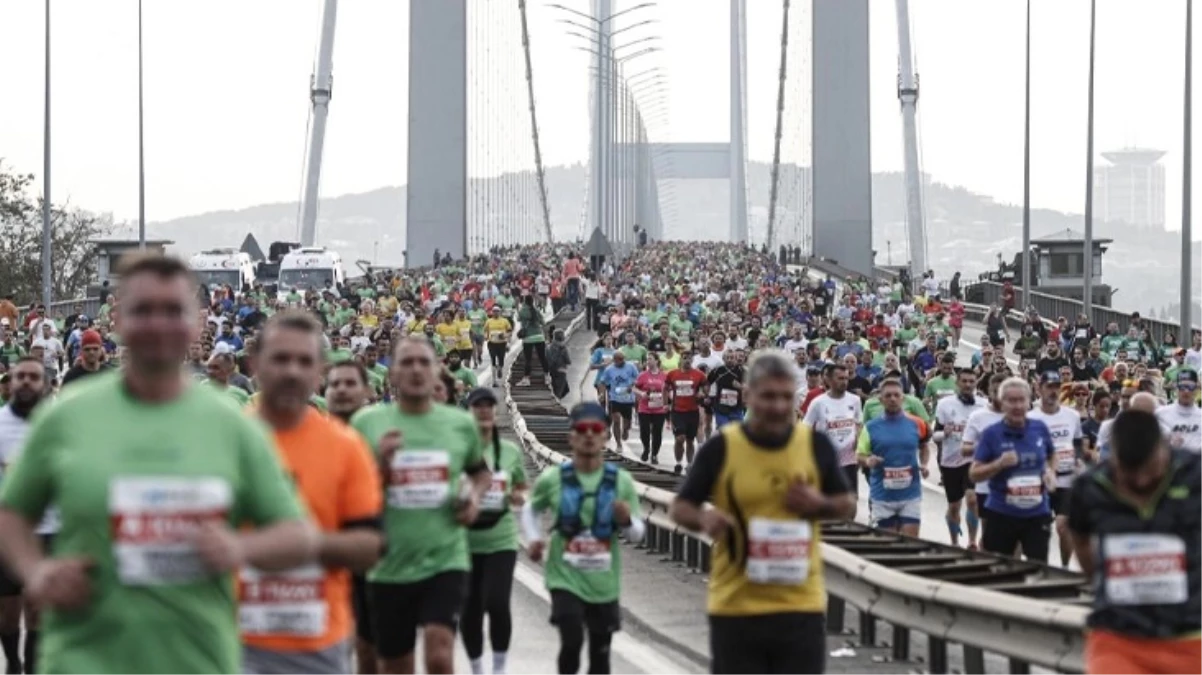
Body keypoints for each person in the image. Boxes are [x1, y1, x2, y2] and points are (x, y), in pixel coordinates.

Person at [0, 253, 316, 675]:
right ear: (119, 320)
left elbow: (295, 536)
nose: (158, 324)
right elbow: (11, 513)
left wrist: (240, 548)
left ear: (197, 322)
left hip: (198, 660)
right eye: (143, 310)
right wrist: (34, 570)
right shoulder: (65, 417)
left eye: (172, 311)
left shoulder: (231, 425)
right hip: (82, 660)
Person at [670, 349, 855, 675]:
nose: (779, 407)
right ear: (748, 395)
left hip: (801, 605)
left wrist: (819, 504)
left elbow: (847, 507)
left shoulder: (814, 445)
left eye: (786, 397)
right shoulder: (722, 447)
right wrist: (704, 518)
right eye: (768, 396)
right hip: (737, 606)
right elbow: (681, 506)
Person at [242, 312, 385, 675]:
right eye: (280, 359)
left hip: (318, 643)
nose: (292, 371)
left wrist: (306, 545)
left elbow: (370, 546)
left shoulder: (345, 447)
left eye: (304, 361)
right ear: (256, 364)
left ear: (319, 371)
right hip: (233, 643)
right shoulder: (226, 440)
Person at [350, 337, 492, 675]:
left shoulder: (460, 424)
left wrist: (472, 500)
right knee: (397, 666)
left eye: (423, 363)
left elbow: (481, 475)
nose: (416, 370)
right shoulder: (367, 423)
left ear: (436, 372)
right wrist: (381, 466)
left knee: (440, 655)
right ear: (393, 373)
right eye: (407, 363)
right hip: (389, 565)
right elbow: (352, 493)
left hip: (445, 558)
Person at [1068, 408, 1202, 673]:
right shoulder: (1089, 487)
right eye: (1129, 472)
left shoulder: (1195, 473)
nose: (1140, 479)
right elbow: (1080, 541)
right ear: (1113, 455)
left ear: (1163, 449)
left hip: (1191, 639)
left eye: (1149, 469)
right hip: (1117, 640)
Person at [521, 402, 645, 675]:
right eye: (582, 429)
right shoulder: (554, 478)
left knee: (600, 656)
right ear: (571, 437)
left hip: (603, 581)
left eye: (596, 429)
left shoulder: (620, 481)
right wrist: (533, 538)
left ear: (605, 437)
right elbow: (531, 509)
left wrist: (625, 519)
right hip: (564, 577)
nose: (589, 435)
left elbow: (636, 533)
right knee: (572, 639)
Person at [462, 388, 528, 675]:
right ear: (469, 411)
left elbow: (521, 485)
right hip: (464, 542)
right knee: (471, 608)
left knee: (498, 603)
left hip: (501, 539)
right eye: (478, 406)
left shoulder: (510, 451)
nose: (485, 411)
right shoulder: (458, 449)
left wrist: (518, 496)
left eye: (489, 406)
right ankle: (477, 667)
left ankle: (499, 668)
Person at [322, 360, 379, 674]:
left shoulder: (382, 433)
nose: (342, 390)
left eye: (350, 384)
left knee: (369, 647)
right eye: (335, 384)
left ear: (367, 391)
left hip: (375, 556)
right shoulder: (311, 435)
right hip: (324, 559)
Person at [0, 357, 51, 674]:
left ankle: (30, 668)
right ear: (12, 384)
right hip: (7, 530)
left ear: (44, 384)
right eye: (21, 377)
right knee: (6, 614)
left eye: (34, 377)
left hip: (47, 528)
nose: (27, 382)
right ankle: (14, 661)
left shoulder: (55, 423)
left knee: (37, 610)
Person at [969, 377, 1055, 563]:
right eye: (1011, 400)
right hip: (1002, 513)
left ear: (1029, 402)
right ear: (1002, 403)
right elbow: (974, 474)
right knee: (999, 569)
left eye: (1021, 400)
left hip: (1037, 513)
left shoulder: (1040, 428)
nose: (1017, 406)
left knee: (1038, 567)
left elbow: (1051, 454)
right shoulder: (991, 434)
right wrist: (998, 464)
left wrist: (1050, 472)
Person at [856, 379, 931, 536]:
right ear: (881, 399)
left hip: (910, 495)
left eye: (896, 395)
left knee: (911, 543)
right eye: (888, 395)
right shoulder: (870, 427)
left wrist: (924, 464)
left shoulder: (917, 423)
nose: (892, 399)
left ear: (903, 398)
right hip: (882, 496)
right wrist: (868, 461)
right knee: (888, 545)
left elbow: (924, 446)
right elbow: (859, 455)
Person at [1026, 371, 1083, 567]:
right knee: (1039, 527)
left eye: (1056, 387)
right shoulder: (1030, 418)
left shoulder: (1072, 416)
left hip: (1066, 480)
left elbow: (1077, 443)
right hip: (1040, 480)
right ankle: (1037, 565)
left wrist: (1079, 460)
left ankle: (1065, 566)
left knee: (1064, 525)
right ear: (1039, 389)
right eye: (1049, 387)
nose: (1053, 391)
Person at [933, 368, 987, 547]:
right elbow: (935, 435)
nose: (968, 385)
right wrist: (944, 434)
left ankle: (972, 541)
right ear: (957, 383)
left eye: (971, 381)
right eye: (964, 381)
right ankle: (954, 541)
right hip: (950, 460)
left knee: (972, 499)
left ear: (976, 383)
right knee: (954, 506)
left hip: (973, 459)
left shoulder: (983, 404)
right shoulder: (945, 405)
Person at [802, 363, 864, 514]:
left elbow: (859, 423)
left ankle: (850, 530)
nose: (844, 382)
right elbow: (806, 428)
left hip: (848, 458)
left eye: (846, 378)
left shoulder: (854, 400)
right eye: (839, 378)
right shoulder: (818, 402)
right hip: (827, 460)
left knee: (851, 500)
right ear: (828, 380)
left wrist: (858, 440)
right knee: (829, 502)